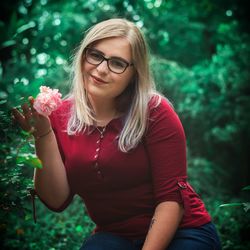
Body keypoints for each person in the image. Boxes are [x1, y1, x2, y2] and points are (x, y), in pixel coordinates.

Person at [12, 18, 221, 250]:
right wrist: (43, 136)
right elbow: (56, 199)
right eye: (96, 55)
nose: (101, 69)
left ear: (134, 73)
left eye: (118, 63)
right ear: (83, 55)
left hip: (183, 231)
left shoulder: (155, 112)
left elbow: (171, 201)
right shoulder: (59, 115)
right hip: (114, 235)